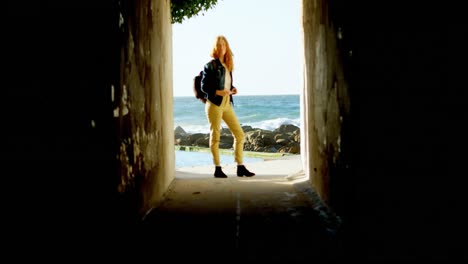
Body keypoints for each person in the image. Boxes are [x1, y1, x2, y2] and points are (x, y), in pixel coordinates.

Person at [200, 35, 255, 178]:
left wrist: (233, 89)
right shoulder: (210, 66)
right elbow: (204, 87)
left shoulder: (228, 66)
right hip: (214, 104)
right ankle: (217, 168)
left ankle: (240, 166)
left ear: (227, 47)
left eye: (224, 45)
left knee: (240, 134)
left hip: (227, 104)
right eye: (219, 45)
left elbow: (226, 83)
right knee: (215, 136)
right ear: (215, 48)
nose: (222, 47)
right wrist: (218, 92)